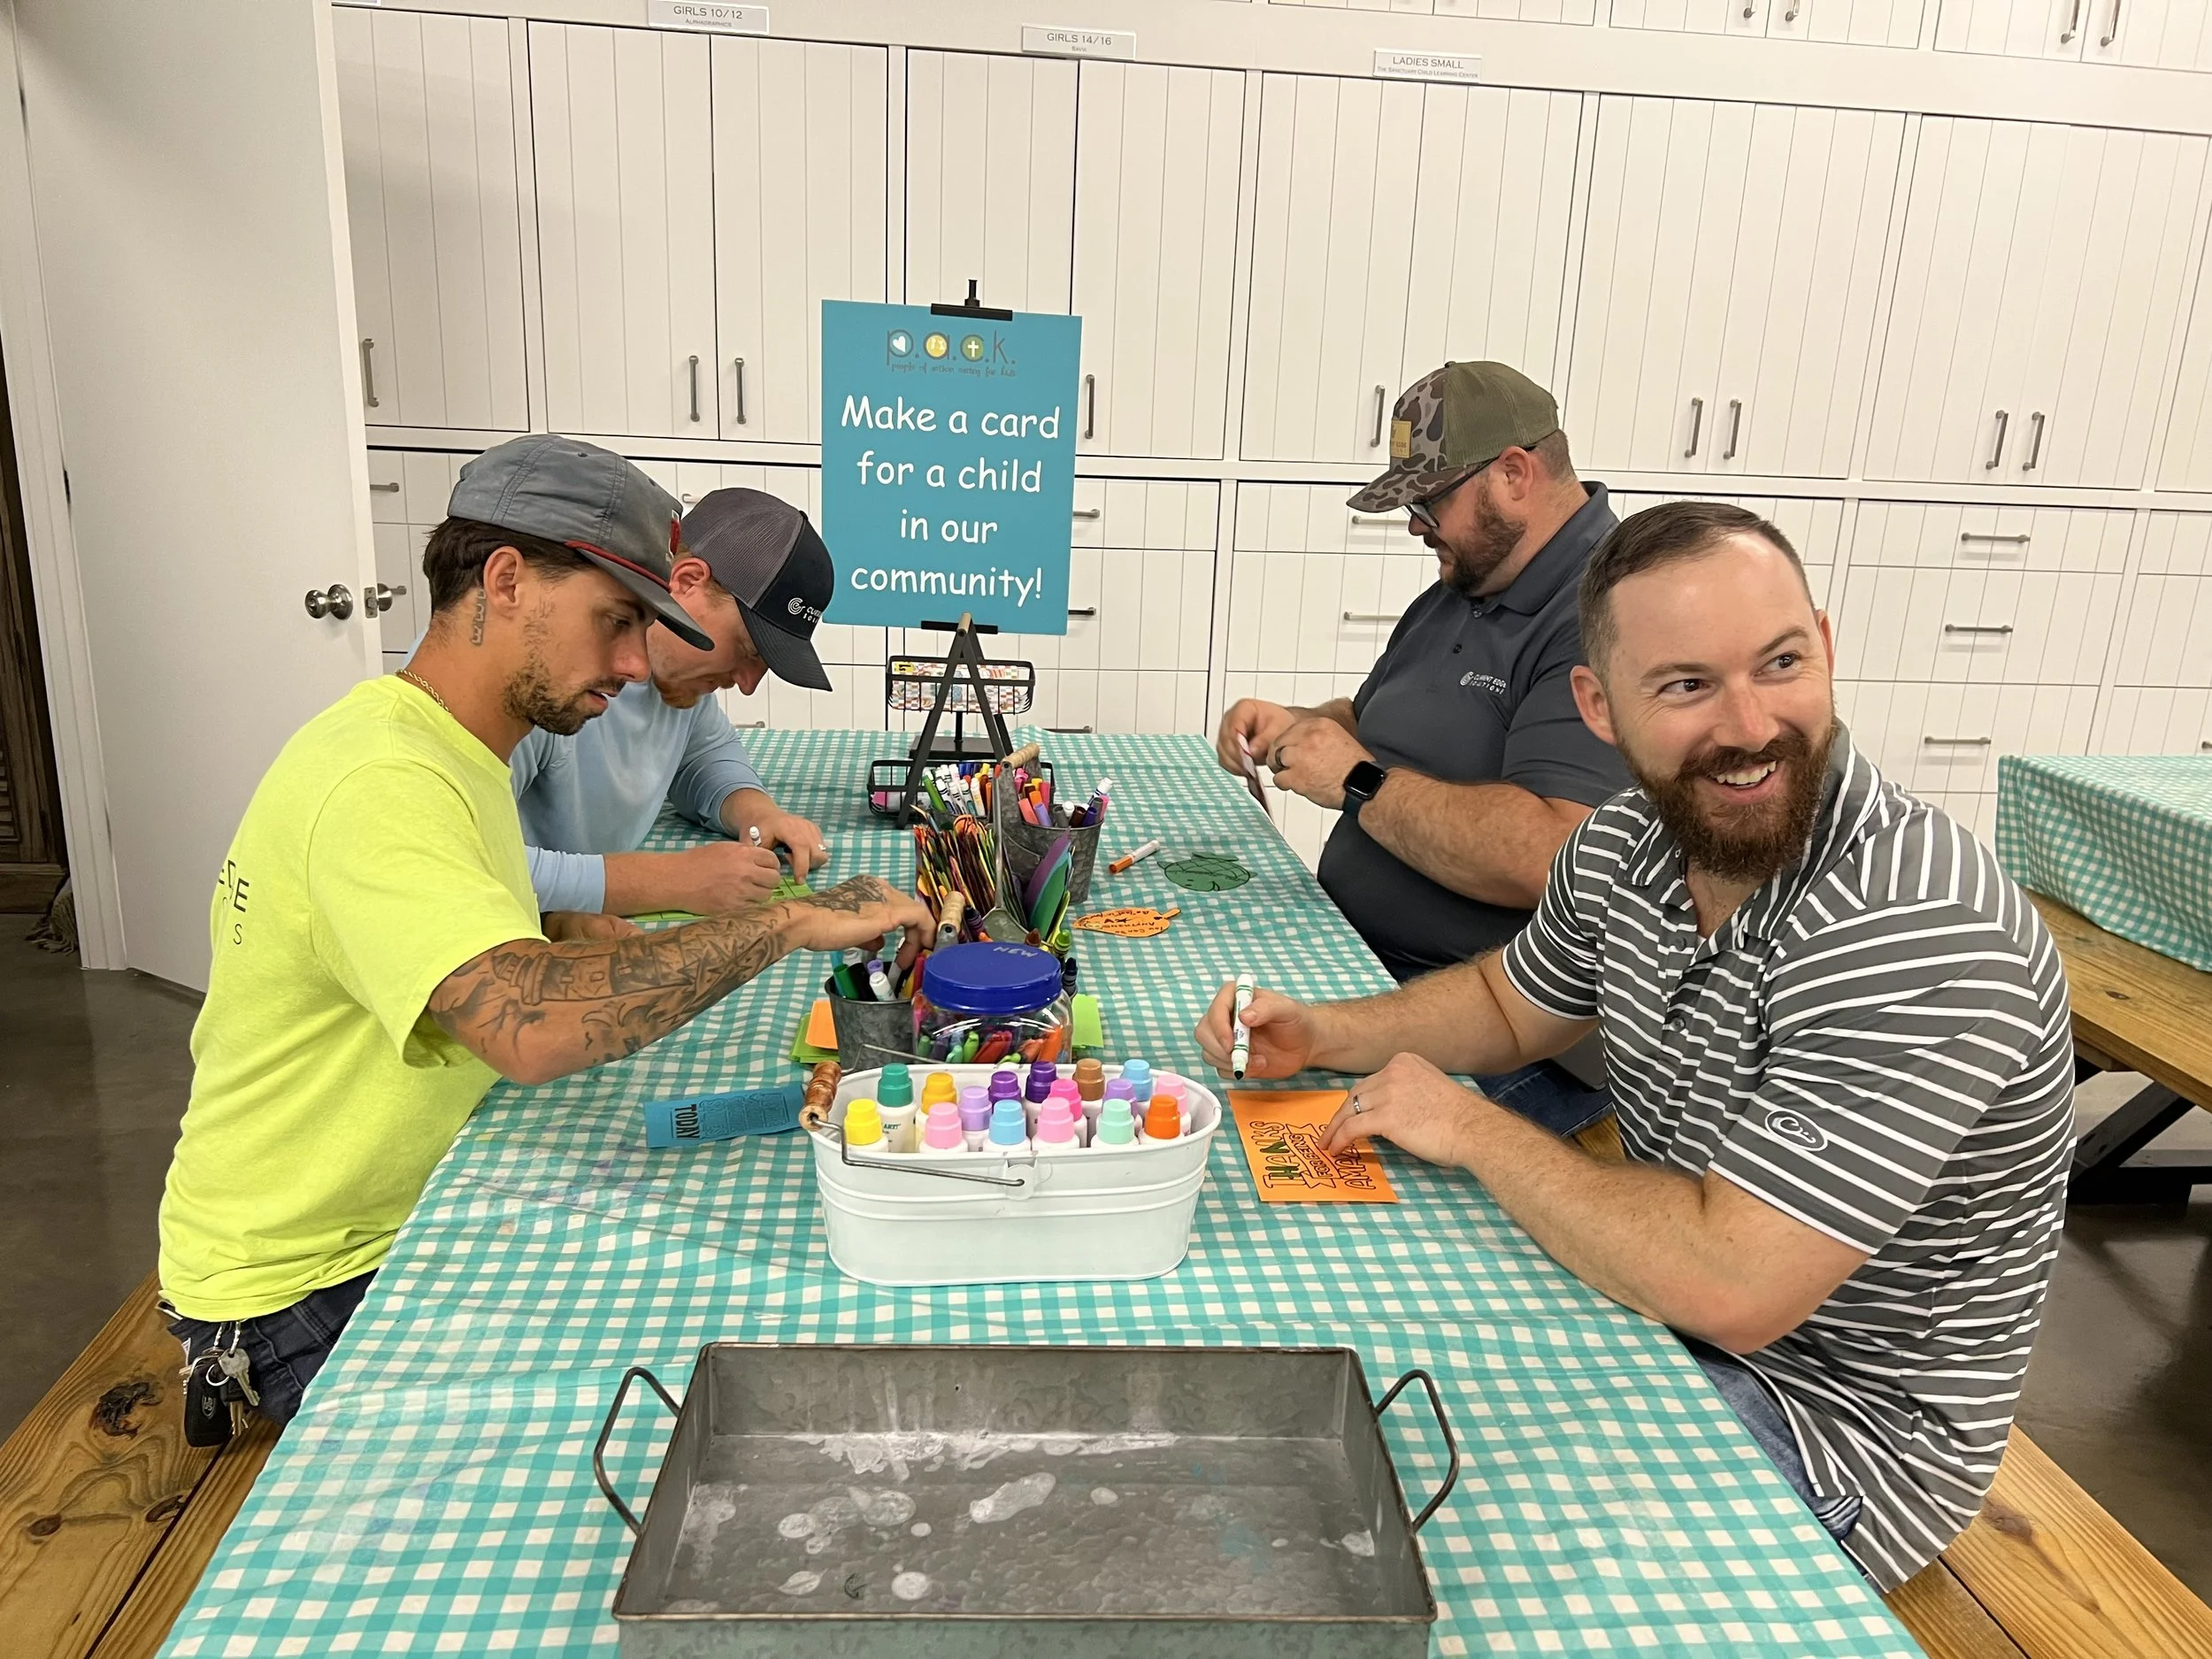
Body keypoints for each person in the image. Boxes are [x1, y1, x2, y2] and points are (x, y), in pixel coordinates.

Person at [1196, 500, 2074, 1591]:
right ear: (1598, 707)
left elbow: (1732, 1285)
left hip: (1830, 1427)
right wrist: (1326, 1033)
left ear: (1828, 650)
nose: (1749, 724)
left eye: (1780, 662)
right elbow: (1515, 1005)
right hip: (1667, 1309)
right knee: (1322, 1381)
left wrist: (1471, 1127)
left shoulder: (1914, 923)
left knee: (1405, 1545)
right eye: (1685, 685)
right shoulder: (1630, 840)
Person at [158, 435, 930, 1425]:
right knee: (672, 1393)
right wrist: (783, 925)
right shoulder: (382, 779)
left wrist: (576, 918)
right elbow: (527, 1026)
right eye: (613, 621)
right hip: (299, 1295)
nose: (628, 664)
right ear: (507, 580)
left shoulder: (462, 751)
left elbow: (490, 931)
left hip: (399, 1209)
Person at [1214, 360, 1630, 1133]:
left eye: (1427, 499)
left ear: (1513, 474)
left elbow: (1553, 853)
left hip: (1503, 1037)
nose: (1412, 522)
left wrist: (1360, 782)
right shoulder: (1470, 581)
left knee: (1266, 1148)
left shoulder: (1603, 613)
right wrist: (1304, 722)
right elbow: (1383, 726)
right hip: (1366, 957)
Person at [511, 488, 835, 918]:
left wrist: (759, 814)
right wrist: (666, 881)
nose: (748, 684)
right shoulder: (542, 673)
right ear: (686, 583)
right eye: (747, 649)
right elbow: (464, 866)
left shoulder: (675, 678)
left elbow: (703, 757)